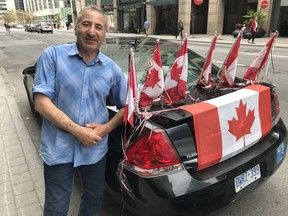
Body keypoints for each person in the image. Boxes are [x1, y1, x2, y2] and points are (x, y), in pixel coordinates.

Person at [32, 5, 127, 216]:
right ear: (76, 28)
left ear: (104, 35)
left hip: (95, 150)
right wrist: (78, 131)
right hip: (58, 149)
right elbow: (41, 103)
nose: (92, 31)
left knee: (93, 201)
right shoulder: (53, 56)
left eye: (98, 27)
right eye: (86, 24)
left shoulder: (112, 69)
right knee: (56, 208)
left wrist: (104, 129)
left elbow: (127, 106)